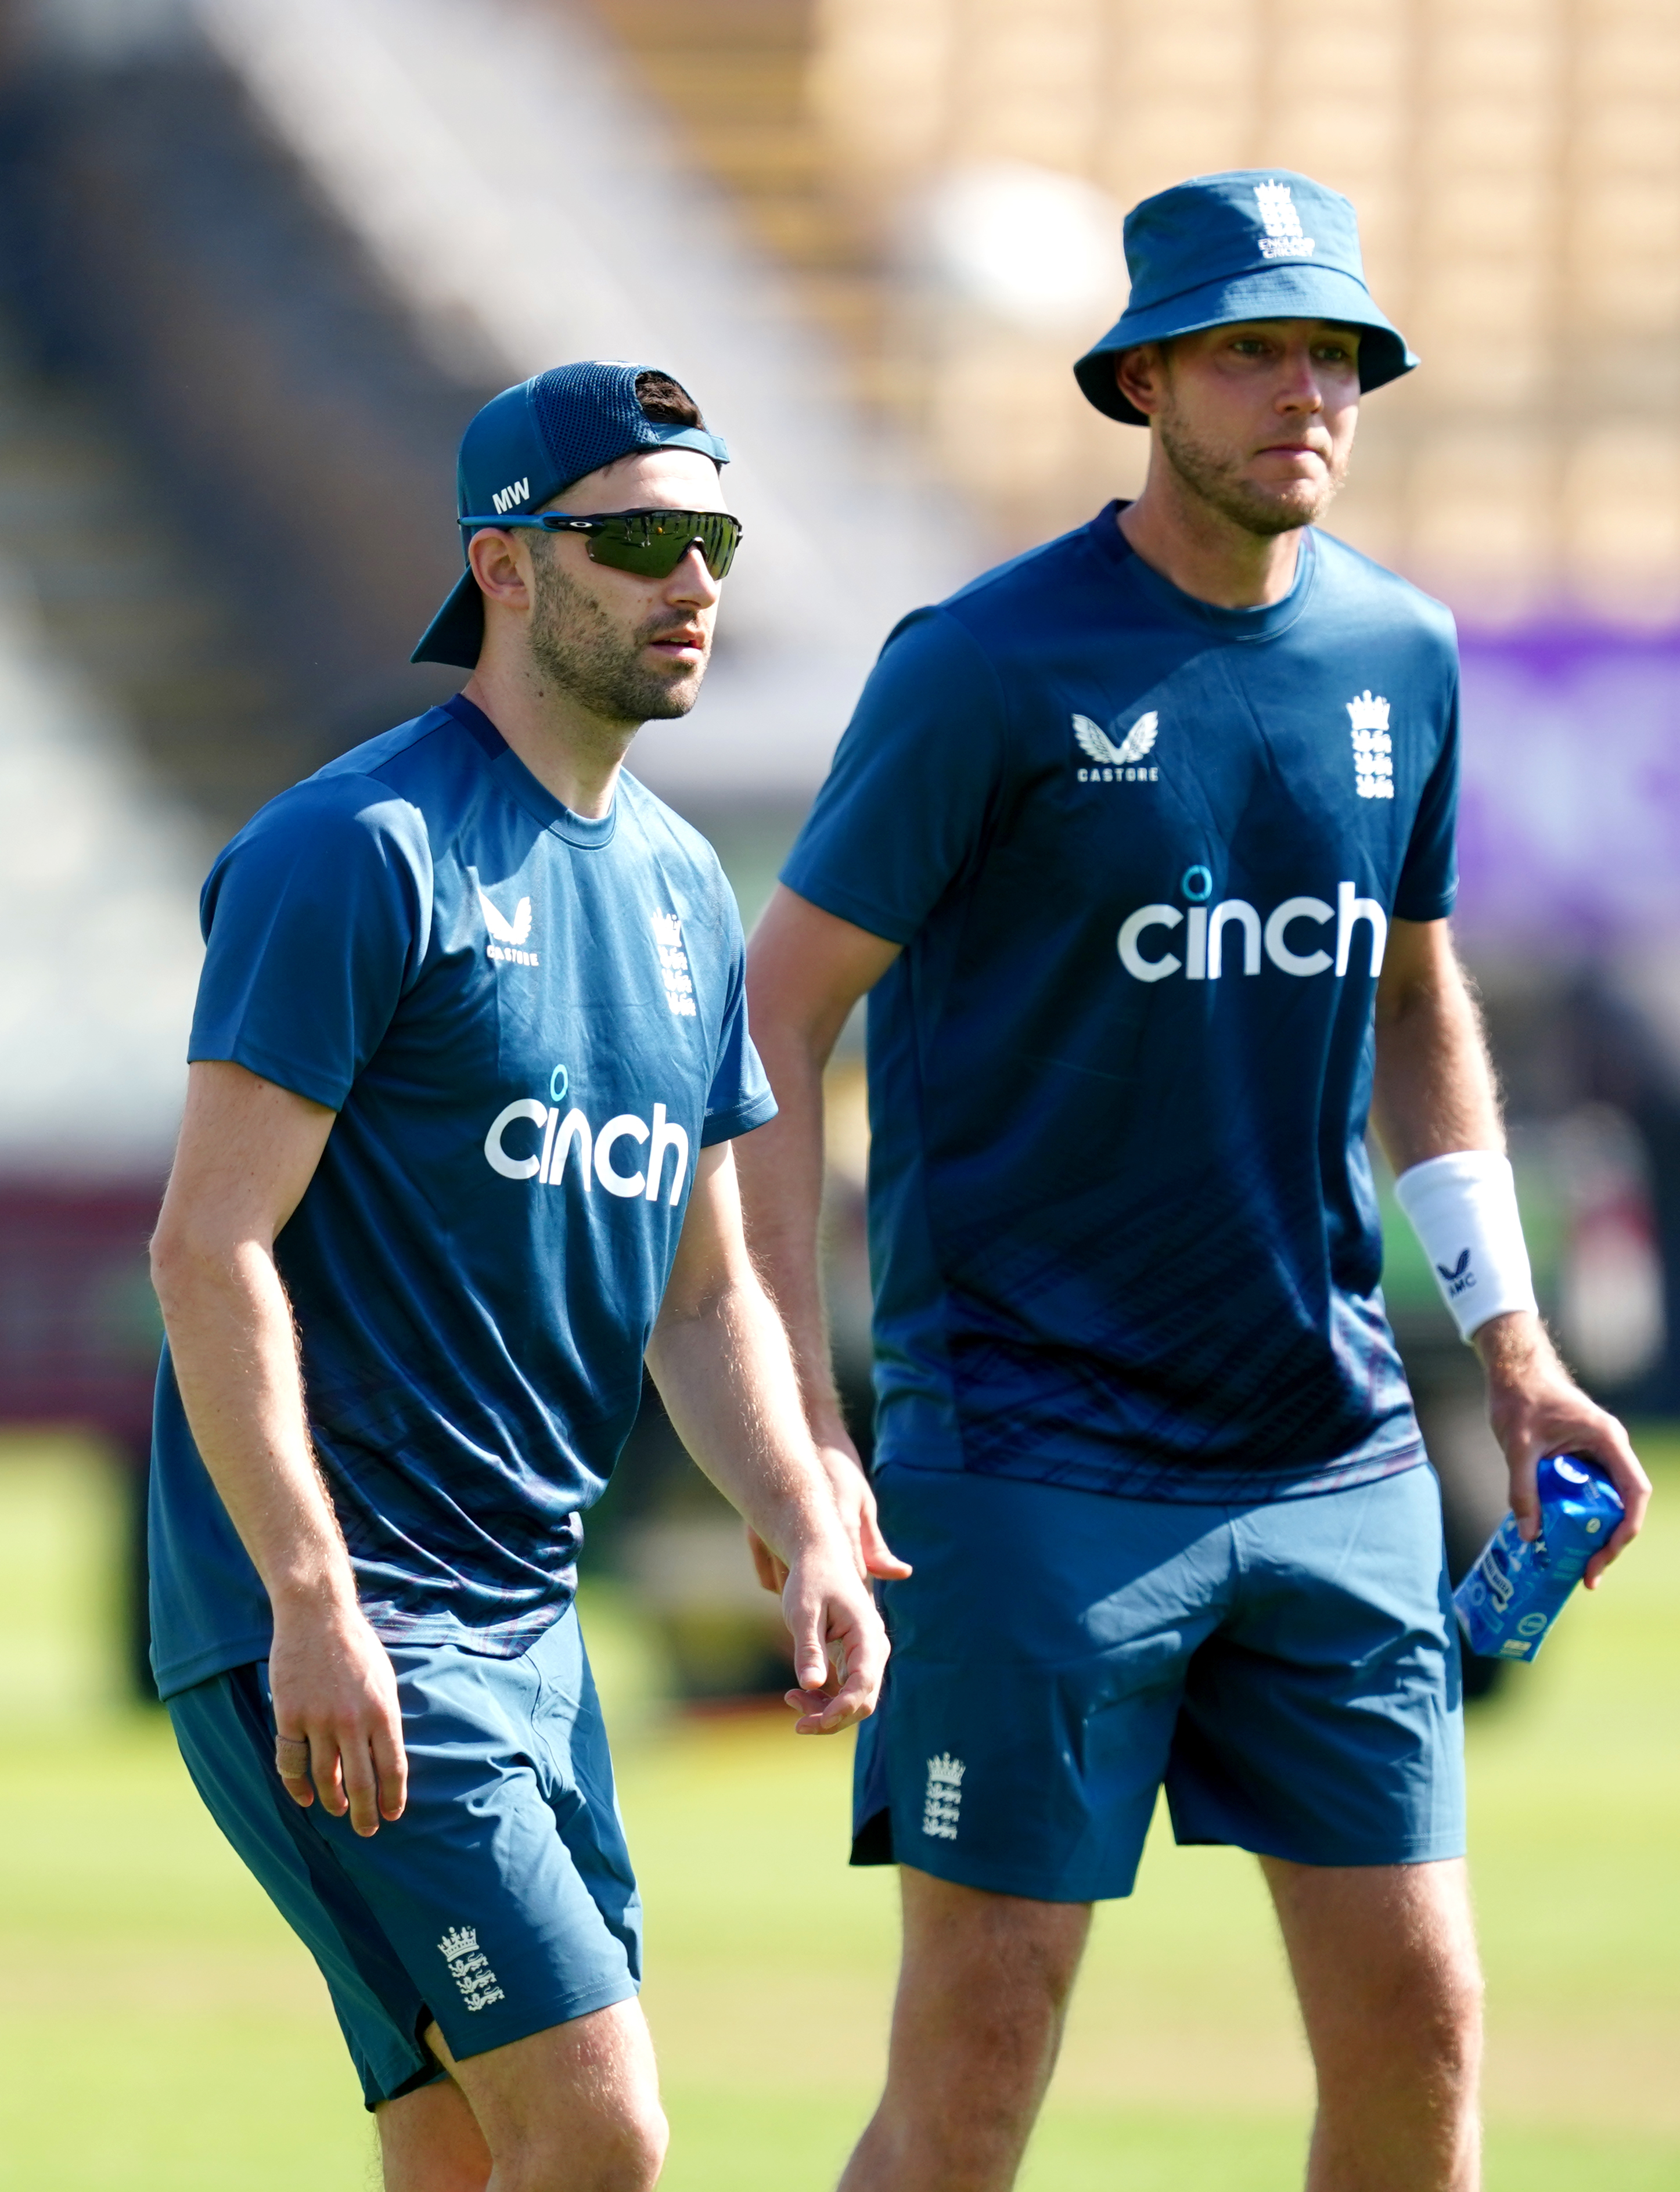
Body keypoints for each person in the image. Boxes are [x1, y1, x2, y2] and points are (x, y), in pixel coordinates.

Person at [736, 171, 1651, 2192]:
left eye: (1335, 353)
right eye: (1253, 349)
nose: (1303, 392)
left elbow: (1417, 1010)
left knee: (1423, 2034)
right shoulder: (981, 664)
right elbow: (775, 1020)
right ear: (1145, 376)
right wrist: (804, 1427)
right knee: (981, 2057)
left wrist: (1513, 1346)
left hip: (1329, 1457)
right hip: (1030, 1458)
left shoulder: (1404, 655)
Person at [148, 361, 886, 2192]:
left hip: (525, 1631)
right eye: (637, 538)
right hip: (339, 1628)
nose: (691, 579)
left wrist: (800, 1505)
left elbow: (701, 1293)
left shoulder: (683, 888)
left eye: (708, 537)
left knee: (472, 2157)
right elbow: (206, 1243)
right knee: (600, 2130)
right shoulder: (355, 850)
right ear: (504, 567)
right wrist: (318, 1606)